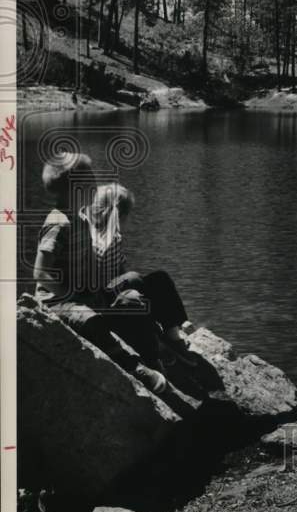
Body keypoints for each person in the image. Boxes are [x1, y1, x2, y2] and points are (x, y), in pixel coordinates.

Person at [33, 156, 169, 393]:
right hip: (57, 302)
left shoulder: (82, 218)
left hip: (84, 292)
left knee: (133, 286)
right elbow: (41, 272)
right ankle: (135, 368)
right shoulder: (58, 223)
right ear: (75, 189)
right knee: (92, 321)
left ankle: (156, 344)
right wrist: (70, 294)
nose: (96, 188)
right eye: (90, 183)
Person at [81, 181, 198, 365]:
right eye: (125, 216)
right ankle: (160, 341)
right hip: (102, 300)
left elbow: (120, 270)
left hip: (115, 290)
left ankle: (173, 332)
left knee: (160, 277)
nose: (128, 220)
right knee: (134, 278)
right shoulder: (91, 239)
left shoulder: (115, 238)